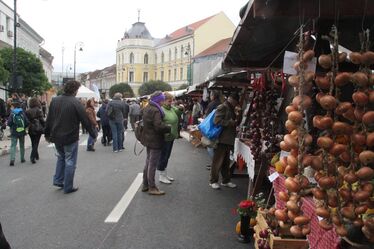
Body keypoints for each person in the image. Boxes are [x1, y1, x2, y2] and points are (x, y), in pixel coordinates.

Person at [45, 80, 97, 194]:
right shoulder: (76, 102)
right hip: (70, 136)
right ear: (75, 90)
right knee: (70, 161)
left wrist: (47, 134)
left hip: (57, 136)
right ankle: (68, 186)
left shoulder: (55, 100)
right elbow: (85, 120)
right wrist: (93, 133)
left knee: (61, 158)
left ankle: (58, 180)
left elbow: (49, 119)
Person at [141, 91, 171, 195]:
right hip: (155, 140)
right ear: (159, 100)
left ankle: (145, 185)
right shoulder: (156, 110)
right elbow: (158, 126)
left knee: (148, 162)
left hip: (148, 139)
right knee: (152, 164)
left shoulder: (147, 107)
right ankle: (152, 187)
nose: (163, 101)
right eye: (162, 99)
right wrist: (168, 127)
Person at [209, 93, 239, 190]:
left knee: (226, 161)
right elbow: (216, 121)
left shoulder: (230, 107)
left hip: (227, 139)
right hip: (221, 139)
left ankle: (226, 180)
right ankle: (213, 181)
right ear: (230, 99)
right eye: (234, 101)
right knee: (217, 161)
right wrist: (229, 123)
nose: (235, 103)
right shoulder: (223, 107)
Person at [157, 92, 183, 184]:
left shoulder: (171, 108)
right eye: (169, 101)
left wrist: (181, 109)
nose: (171, 102)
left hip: (171, 136)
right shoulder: (161, 110)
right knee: (163, 156)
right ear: (163, 101)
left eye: (172, 101)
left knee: (167, 156)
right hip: (165, 137)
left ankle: (164, 173)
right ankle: (161, 175)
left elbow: (178, 112)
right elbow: (158, 124)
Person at [7, 100, 29, 166]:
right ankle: (22, 158)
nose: (11, 108)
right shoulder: (22, 113)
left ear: (14, 106)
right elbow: (27, 122)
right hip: (22, 131)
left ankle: (12, 159)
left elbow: (9, 123)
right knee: (22, 145)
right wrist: (23, 127)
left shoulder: (12, 113)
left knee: (13, 145)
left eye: (12, 106)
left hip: (14, 131)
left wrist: (12, 127)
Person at [204, 90, 221, 170]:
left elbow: (207, 116)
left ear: (213, 96)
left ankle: (215, 164)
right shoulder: (221, 103)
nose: (210, 96)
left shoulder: (211, 104)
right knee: (216, 147)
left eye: (211, 95)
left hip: (211, 128)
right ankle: (215, 164)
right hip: (219, 128)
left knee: (210, 146)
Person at [25, 97, 45, 164]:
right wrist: (45, 127)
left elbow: (26, 121)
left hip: (31, 128)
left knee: (33, 142)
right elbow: (42, 120)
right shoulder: (39, 110)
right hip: (38, 128)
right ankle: (32, 157)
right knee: (36, 143)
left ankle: (36, 155)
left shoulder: (27, 111)